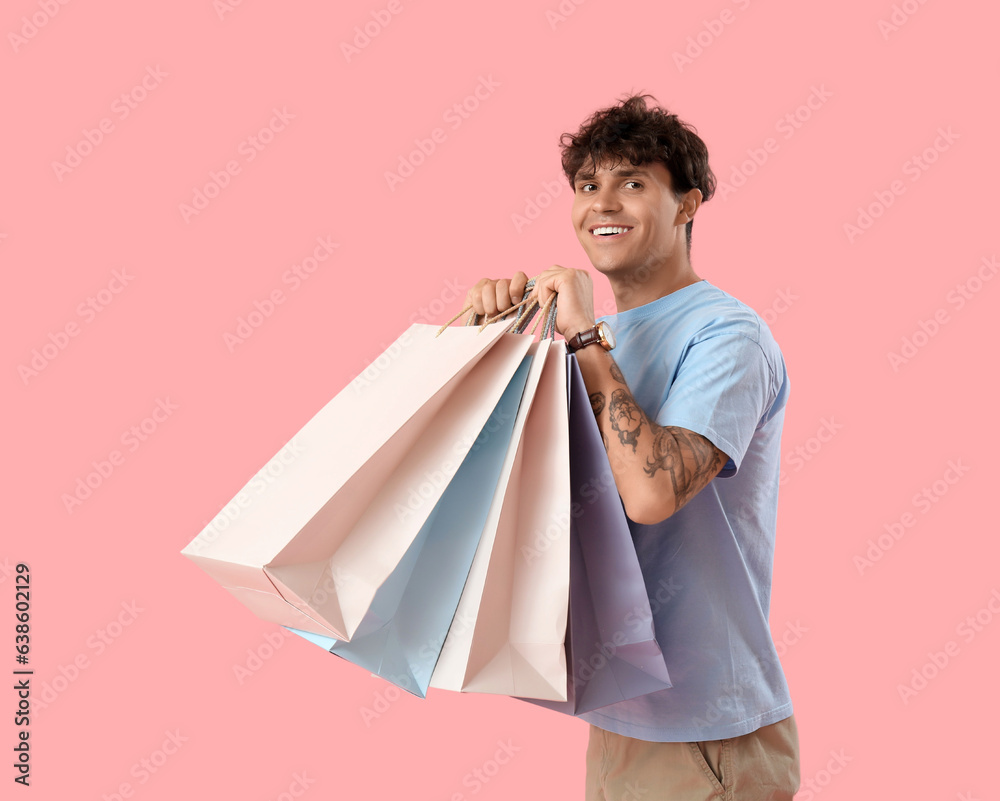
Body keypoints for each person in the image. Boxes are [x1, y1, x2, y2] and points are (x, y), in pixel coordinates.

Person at [465, 94, 801, 800]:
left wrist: (585, 338)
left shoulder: (726, 335)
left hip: (707, 728)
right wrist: (477, 338)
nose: (602, 203)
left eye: (633, 182)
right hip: (624, 714)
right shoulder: (601, 337)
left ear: (689, 205)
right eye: (588, 185)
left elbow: (650, 493)